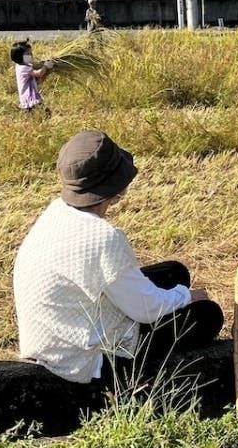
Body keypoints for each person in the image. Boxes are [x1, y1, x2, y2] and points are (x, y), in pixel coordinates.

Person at [13, 130, 224, 384]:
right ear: (114, 188)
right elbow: (147, 310)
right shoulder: (104, 237)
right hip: (79, 357)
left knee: (174, 272)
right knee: (208, 314)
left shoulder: (56, 212)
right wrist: (188, 296)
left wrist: (177, 293)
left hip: (53, 333)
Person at [10, 40, 51, 113]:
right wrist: (46, 66)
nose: (31, 55)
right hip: (30, 98)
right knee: (44, 113)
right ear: (19, 56)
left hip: (28, 98)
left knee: (44, 112)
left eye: (31, 53)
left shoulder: (20, 66)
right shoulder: (24, 68)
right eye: (28, 54)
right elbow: (39, 73)